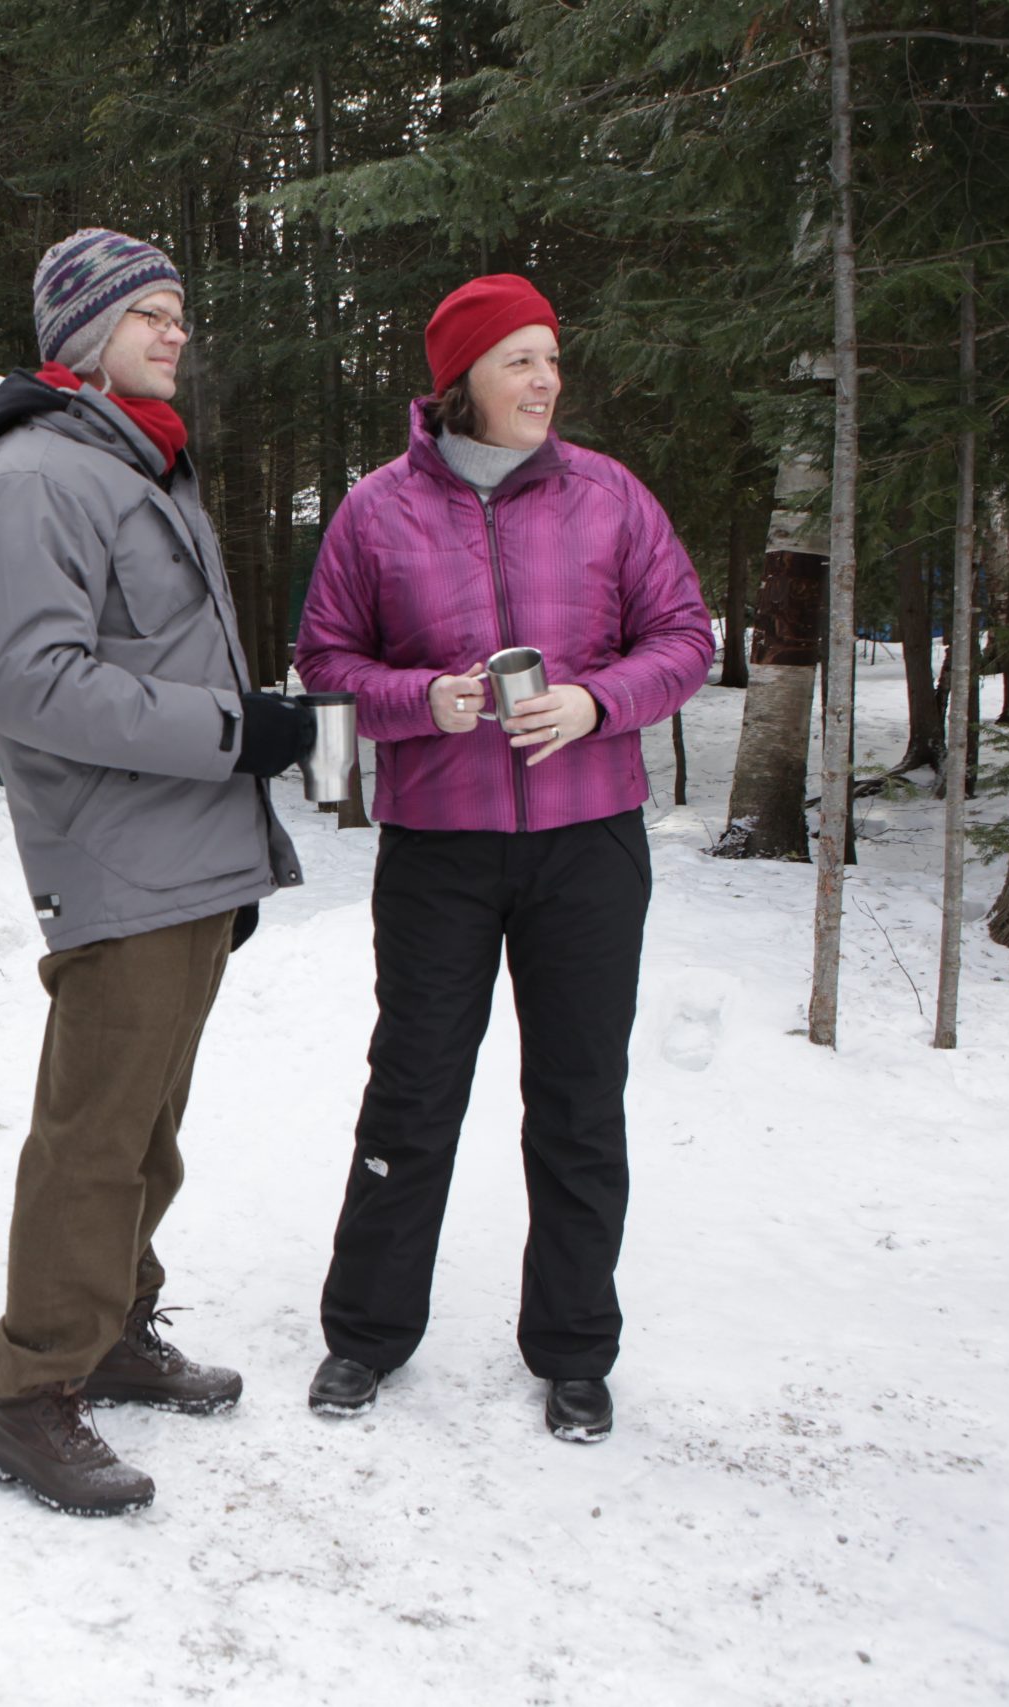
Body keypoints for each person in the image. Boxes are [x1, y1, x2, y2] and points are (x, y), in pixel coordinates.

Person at [292, 273, 713, 1444]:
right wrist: (424, 699)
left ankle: (575, 1348)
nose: (546, 379)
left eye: (550, 357)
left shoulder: (609, 498)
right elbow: (325, 672)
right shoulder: (376, 512)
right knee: (413, 1092)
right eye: (520, 359)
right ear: (463, 378)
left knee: (577, 1100)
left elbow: (685, 639)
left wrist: (595, 703)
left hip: (587, 845)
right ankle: (366, 1335)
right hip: (438, 852)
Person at [0, 228, 311, 1516]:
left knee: (146, 1130)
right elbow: (38, 688)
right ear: (79, 333)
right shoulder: (33, 480)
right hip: (115, 855)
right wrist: (238, 736)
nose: (175, 331)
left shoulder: (139, 465)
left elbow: (155, 661)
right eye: (146, 313)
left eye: (177, 312)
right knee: (94, 1135)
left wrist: (231, 838)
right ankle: (30, 1398)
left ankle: (111, 1330)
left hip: (184, 859)